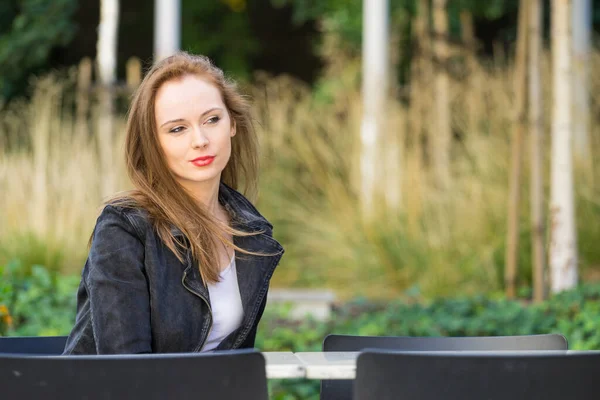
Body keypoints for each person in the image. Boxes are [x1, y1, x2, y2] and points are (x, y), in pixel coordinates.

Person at [63, 52, 284, 354]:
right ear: (153, 142)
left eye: (212, 120)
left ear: (232, 123)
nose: (200, 140)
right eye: (177, 129)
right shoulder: (124, 229)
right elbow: (125, 369)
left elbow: (234, 362)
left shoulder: (251, 231)